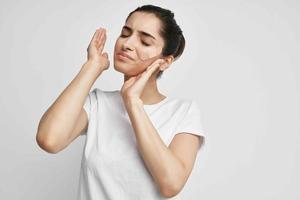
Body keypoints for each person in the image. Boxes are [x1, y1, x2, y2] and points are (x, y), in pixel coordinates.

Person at [36, 4, 206, 200]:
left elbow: (171, 185)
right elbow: (49, 140)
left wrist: (133, 102)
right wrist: (92, 67)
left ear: (165, 61)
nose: (127, 44)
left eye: (144, 41)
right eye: (125, 33)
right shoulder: (97, 103)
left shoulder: (183, 112)